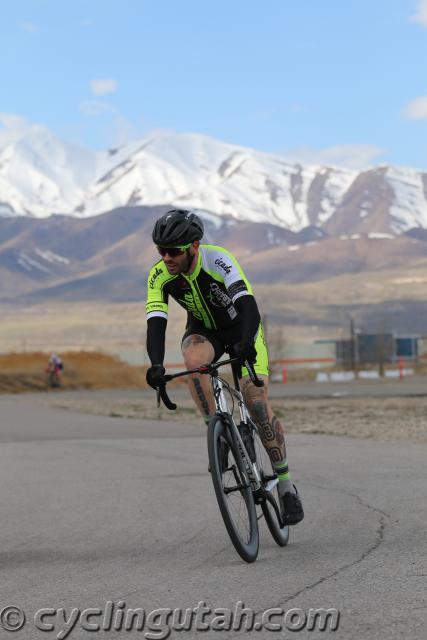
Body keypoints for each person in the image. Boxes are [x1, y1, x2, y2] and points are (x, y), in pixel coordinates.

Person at [145, 209, 303, 525]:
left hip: (243, 329)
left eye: (173, 251)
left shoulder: (219, 261)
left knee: (256, 403)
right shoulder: (159, 275)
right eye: (161, 251)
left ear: (194, 246)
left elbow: (249, 307)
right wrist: (156, 366)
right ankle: (217, 432)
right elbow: (156, 324)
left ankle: (285, 486)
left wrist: (245, 343)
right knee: (192, 362)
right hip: (206, 332)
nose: (166, 258)